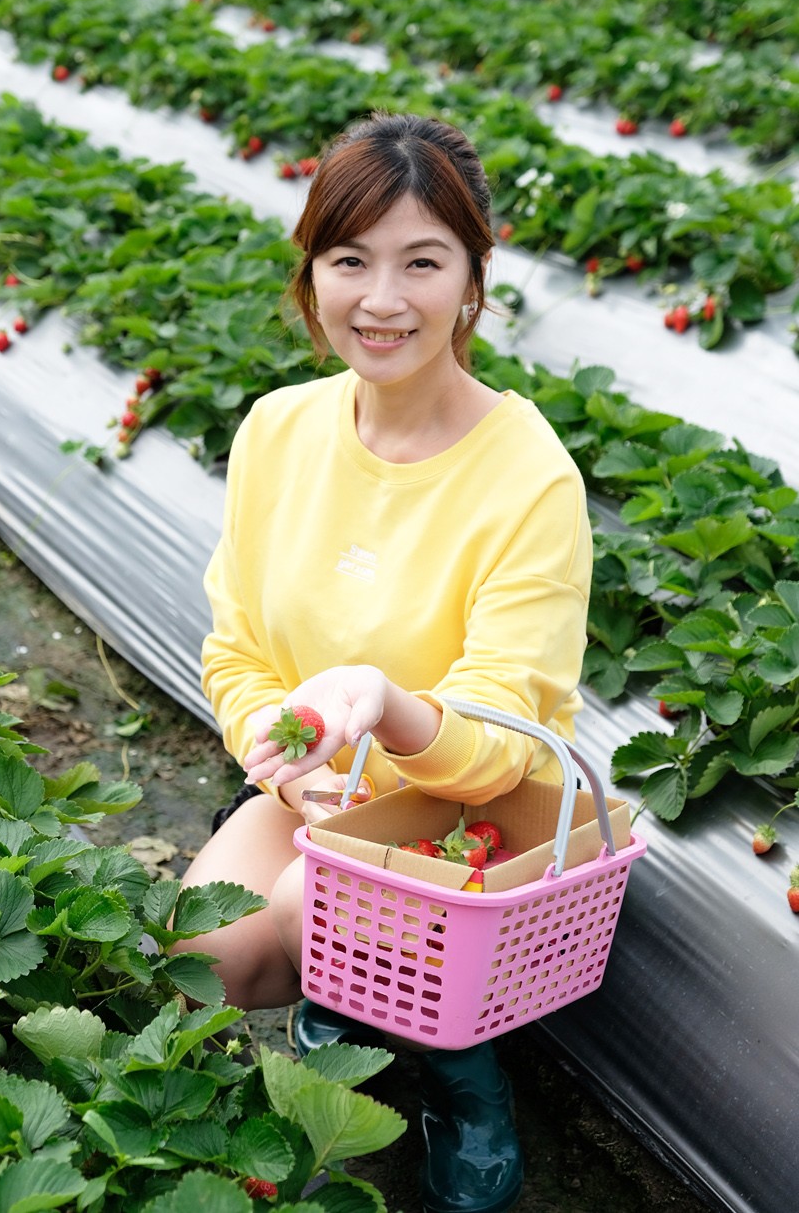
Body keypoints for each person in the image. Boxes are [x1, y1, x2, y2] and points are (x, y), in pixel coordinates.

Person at [174, 111, 593, 1213]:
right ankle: (363, 1021)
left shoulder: (528, 478)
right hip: (330, 798)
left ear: (472, 279)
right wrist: (283, 761)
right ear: (311, 274)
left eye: (422, 261)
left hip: (466, 820)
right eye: (349, 260)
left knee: (324, 898)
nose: (382, 298)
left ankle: (458, 1083)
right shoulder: (277, 431)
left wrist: (388, 705)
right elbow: (238, 647)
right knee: (199, 958)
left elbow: (504, 739)